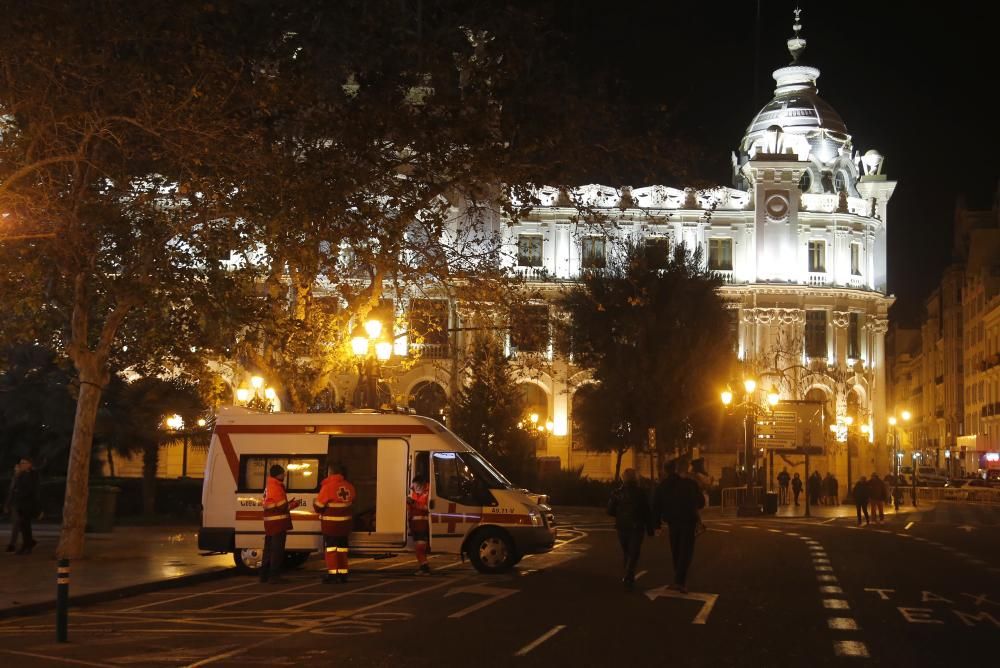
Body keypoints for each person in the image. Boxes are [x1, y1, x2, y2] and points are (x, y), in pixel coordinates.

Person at [653, 458, 704, 594]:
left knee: (676, 549)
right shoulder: (690, 484)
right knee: (685, 551)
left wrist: (656, 525)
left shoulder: (662, 486)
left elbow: (656, 506)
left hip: (672, 522)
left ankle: (678, 579)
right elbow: (701, 502)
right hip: (688, 520)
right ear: (676, 469)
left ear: (665, 470)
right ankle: (680, 581)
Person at [607, 468, 654, 590]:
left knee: (627, 551)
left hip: (622, 526)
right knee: (634, 552)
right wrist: (650, 528)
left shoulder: (616, 493)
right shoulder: (641, 493)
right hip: (637, 526)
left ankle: (628, 574)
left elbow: (610, 511)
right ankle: (629, 574)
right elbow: (647, 512)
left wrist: (620, 513)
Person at [314, 462, 356, 584]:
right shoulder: (349, 486)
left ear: (330, 473)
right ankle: (343, 574)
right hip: (345, 526)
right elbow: (352, 501)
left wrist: (315, 503)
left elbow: (319, 506)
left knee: (331, 550)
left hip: (331, 526)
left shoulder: (327, 487)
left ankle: (333, 575)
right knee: (342, 550)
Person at [260, 464, 300, 583]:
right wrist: (294, 504)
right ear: (278, 474)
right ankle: (274, 576)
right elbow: (282, 506)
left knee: (268, 550)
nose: (284, 475)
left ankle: (264, 575)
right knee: (277, 550)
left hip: (270, 523)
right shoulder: (276, 486)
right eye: (283, 473)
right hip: (278, 523)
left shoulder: (269, 486)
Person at [5, 458, 40, 555]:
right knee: (22, 526)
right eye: (21, 463)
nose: (22, 465)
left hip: (26, 504)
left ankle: (26, 546)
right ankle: (27, 545)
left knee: (24, 526)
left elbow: (31, 490)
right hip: (19, 504)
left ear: (30, 464)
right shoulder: (21, 474)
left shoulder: (31, 475)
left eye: (24, 463)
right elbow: (13, 489)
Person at [407, 475, 431, 575]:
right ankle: (424, 566)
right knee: (419, 548)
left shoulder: (427, 494)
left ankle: (424, 568)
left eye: (417, 486)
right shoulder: (414, 494)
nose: (416, 488)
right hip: (415, 525)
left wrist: (413, 503)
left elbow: (427, 507)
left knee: (420, 548)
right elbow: (410, 511)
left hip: (423, 525)